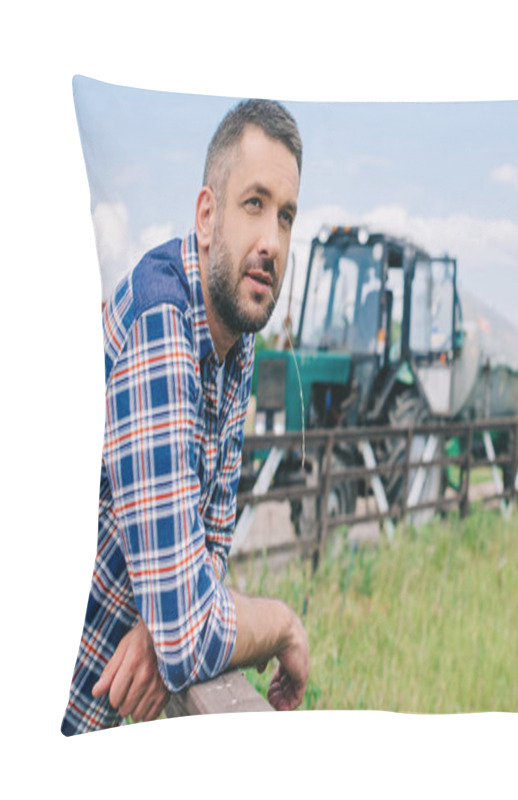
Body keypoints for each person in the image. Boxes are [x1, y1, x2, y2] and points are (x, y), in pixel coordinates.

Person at [62, 99, 309, 735]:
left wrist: (163, 622)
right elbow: (187, 632)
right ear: (206, 216)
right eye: (253, 204)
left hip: (92, 717)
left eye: (285, 217)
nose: (272, 243)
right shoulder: (162, 325)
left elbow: (212, 546)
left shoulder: (237, 345)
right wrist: (281, 622)